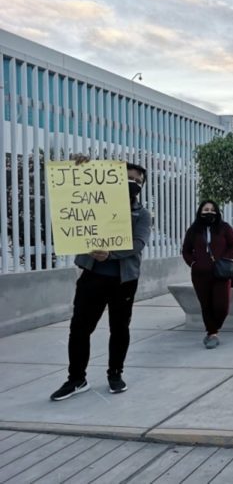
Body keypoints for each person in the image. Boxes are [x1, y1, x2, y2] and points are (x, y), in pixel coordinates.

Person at [50, 161, 151, 401]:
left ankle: (115, 374)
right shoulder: (94, 202)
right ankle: (76, 379)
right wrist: (79, 166)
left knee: (119, 328)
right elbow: (77, 187)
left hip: (124, 281)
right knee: (79, 329)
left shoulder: (142, 214)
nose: (133, 184)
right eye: (128, 178)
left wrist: (111, 254)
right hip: (92, 277)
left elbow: (138, 243)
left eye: (138, 181)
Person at [182, 200, 233, 349]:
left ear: (217, 212)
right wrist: (193, 263)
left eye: (212, 209)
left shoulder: (224, 228)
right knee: (206, 305)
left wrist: (225, 259)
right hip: (200, 275)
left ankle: (215, 326)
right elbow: (186, 250)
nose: (209, 212)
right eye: (205, 209)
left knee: (222, 307)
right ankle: (212, 333)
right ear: (200, 212)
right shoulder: (193, 230)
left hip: (221, 273)